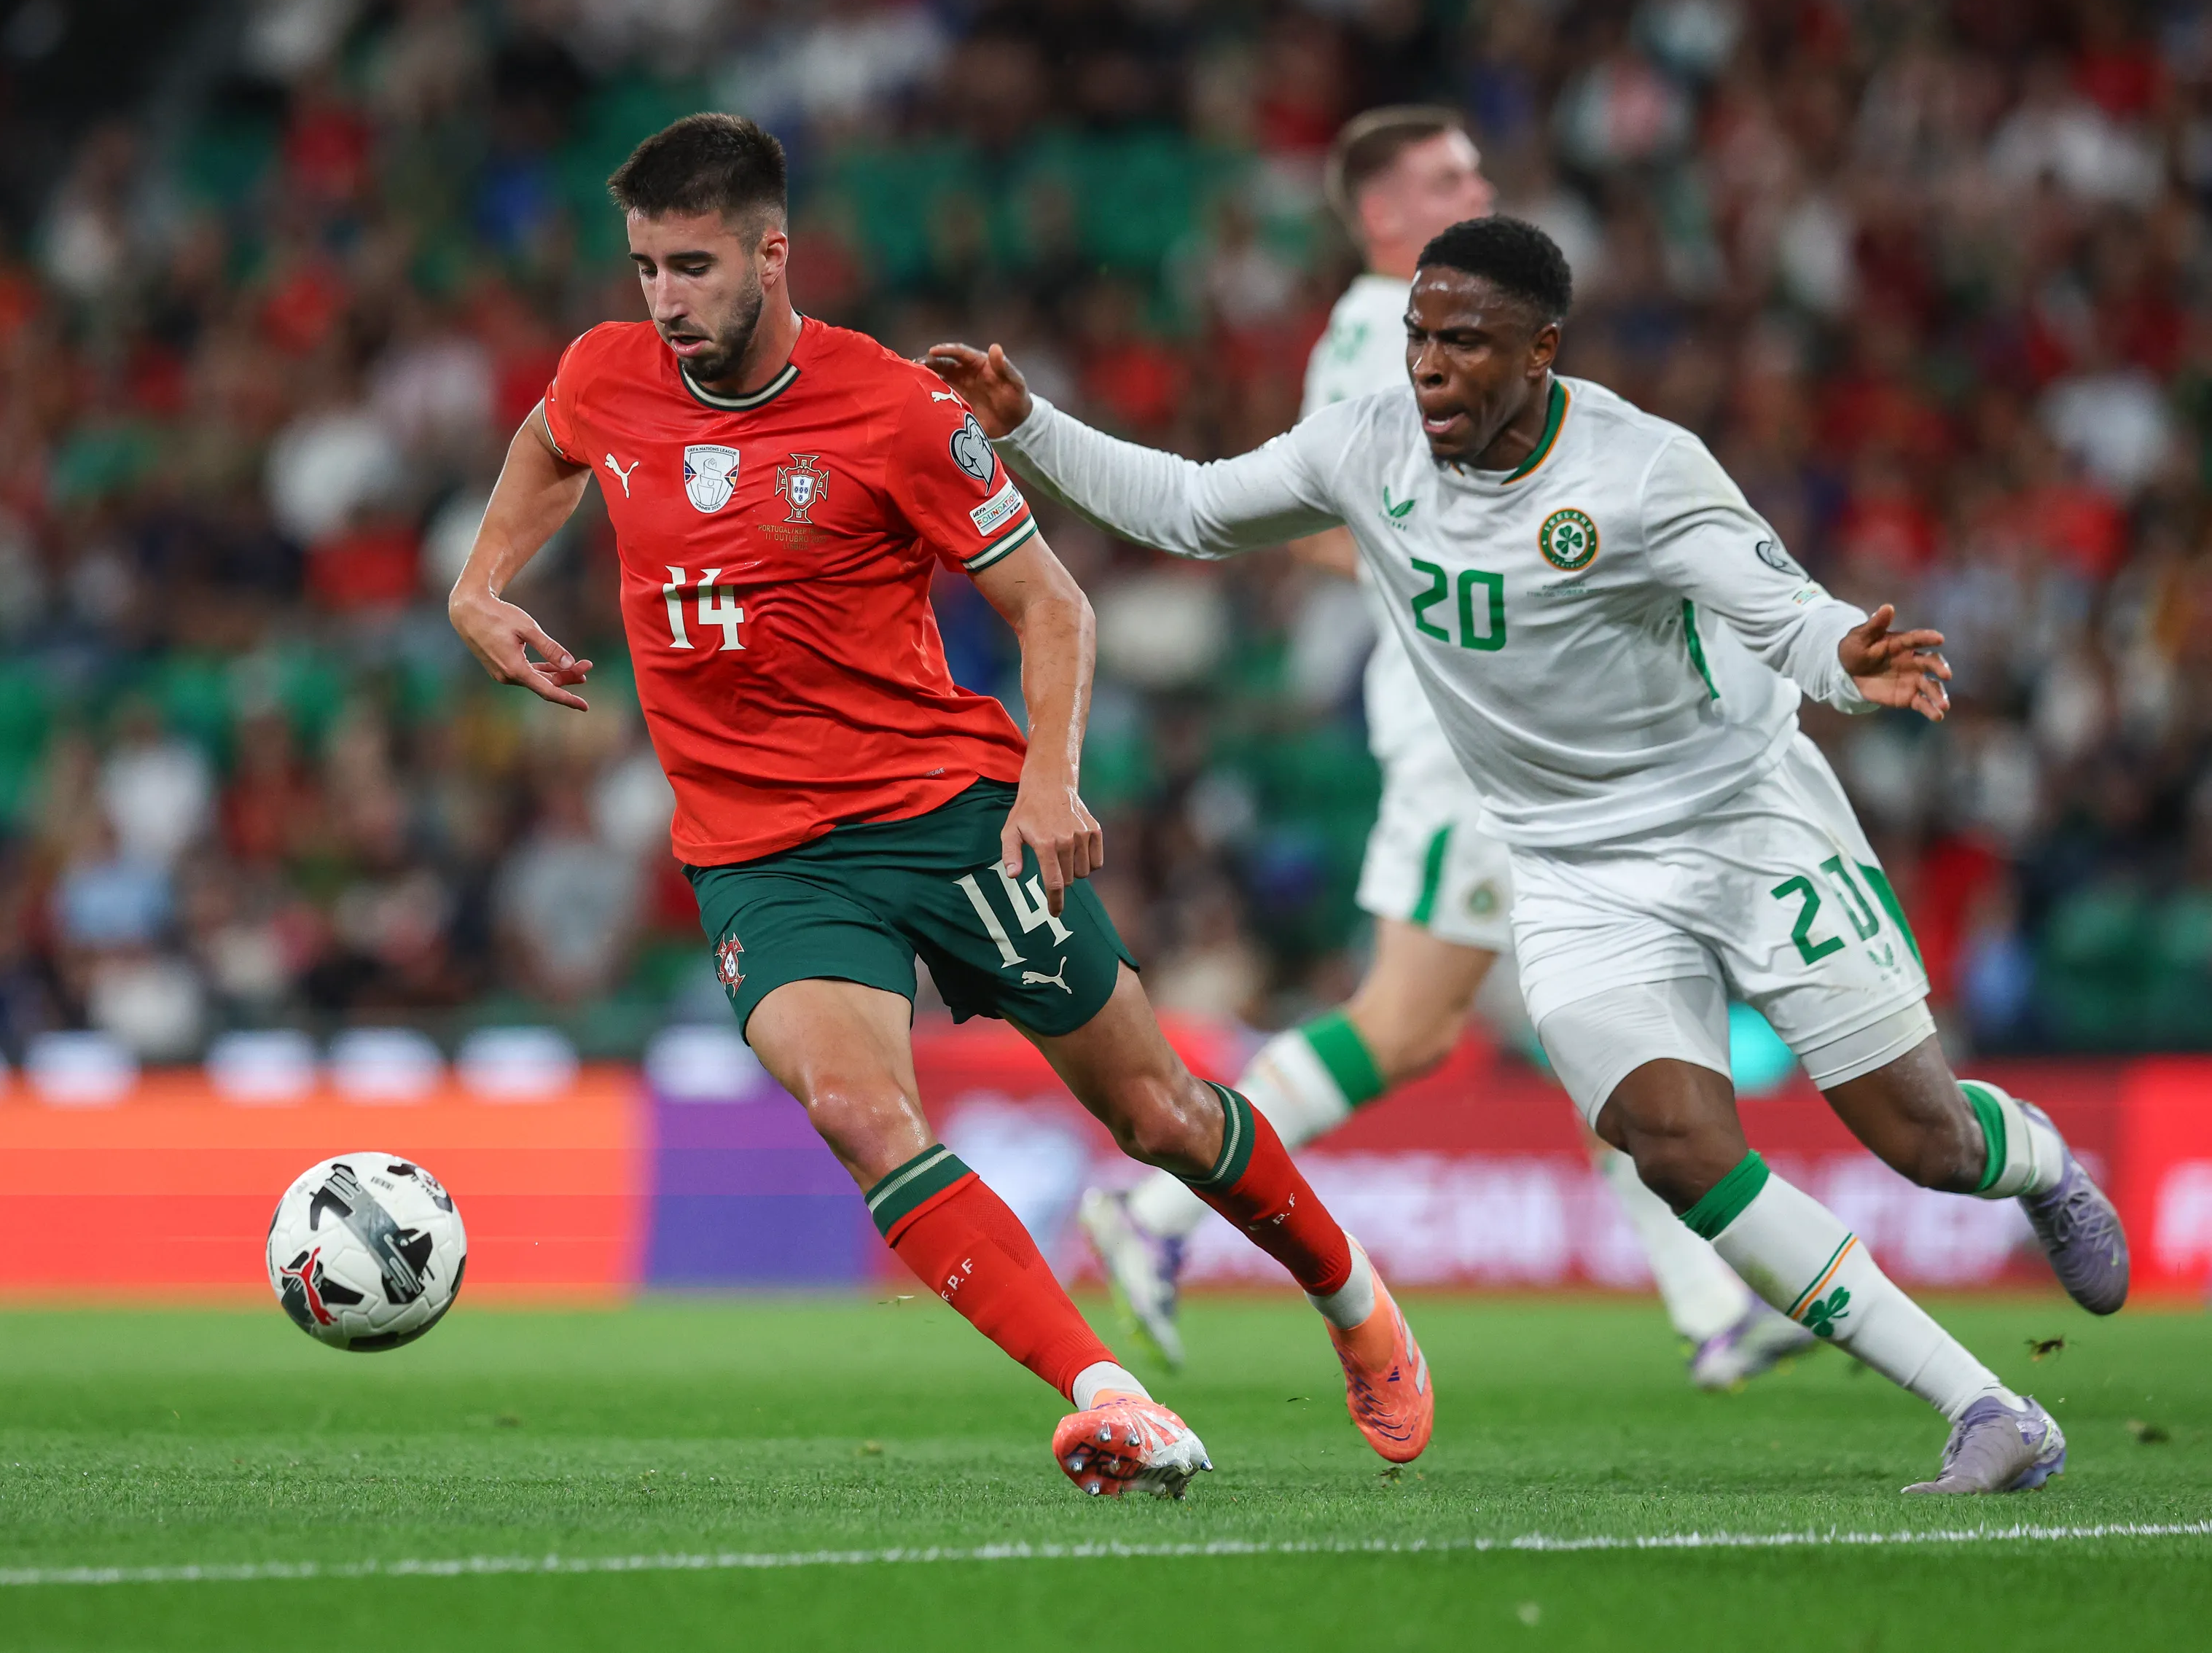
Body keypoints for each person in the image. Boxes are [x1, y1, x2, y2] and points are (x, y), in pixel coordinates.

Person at [927, 214, 2128, 1496]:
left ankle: (2044, 1159)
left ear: (1541, 351)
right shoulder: (1365, 442)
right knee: (1671, 1141)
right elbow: (1189, 506)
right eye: (1417, 339)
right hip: (1565, 863)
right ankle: (1985, 1408)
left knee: (1924, 1139)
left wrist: (1846, 656)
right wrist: (1026, 426)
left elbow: (1779, 608)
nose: (1430, 366)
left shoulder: (1644, 469)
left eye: (1465, 341)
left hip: (1740, 816)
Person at [446, 113, 1431, 1498]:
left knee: (1153, 1112)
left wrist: (1047, 780)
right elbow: (554, 446)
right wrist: (479, 586)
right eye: (644, 269)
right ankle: (1110, 1396)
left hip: (943, 812)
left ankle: (1352, 1303)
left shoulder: (895, 409)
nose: (662, 302)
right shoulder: (609, 372)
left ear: (772, 253)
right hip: (762, 856)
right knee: (860, 1112)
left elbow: (1052, 605)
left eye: (692, 267)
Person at [1082, 107, 1813, 1391]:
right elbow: (1304, 519)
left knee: (1594, 1012)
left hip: (1505, 723)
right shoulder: (1388, 333)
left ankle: (1712, 1301)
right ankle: (1156, 1205)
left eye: (1478, 165)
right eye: (1445, 174)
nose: (1476, 182)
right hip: (1468, 731)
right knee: (1411, 1020)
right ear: (1378, 214)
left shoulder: (1403, 325)